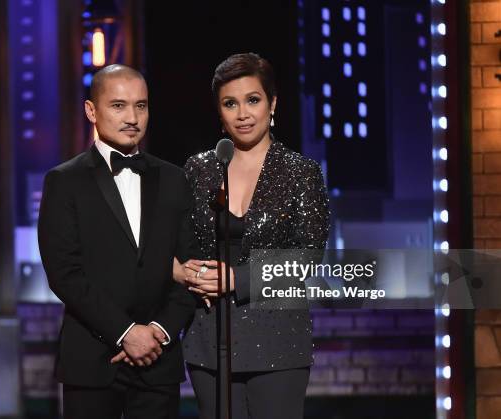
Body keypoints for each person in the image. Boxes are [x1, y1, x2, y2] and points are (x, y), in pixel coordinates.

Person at [174, 53, 330, 419]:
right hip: (208, 342)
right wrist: (182, 272)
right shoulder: (198, 169)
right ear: (219, 112)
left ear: (272, 104)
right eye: (230, 103)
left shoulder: (301, 172)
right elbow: (173, 244)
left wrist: (236, 280)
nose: (242, 113)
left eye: (253, 100)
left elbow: (307, 257)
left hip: (278, 344)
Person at [38, 64, 198, 419]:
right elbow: (64, 273)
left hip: (159, 361)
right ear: (91, 111)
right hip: (92, 362)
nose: (132, 117)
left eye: (141, 106)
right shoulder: (64, 181)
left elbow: (190, 269)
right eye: (119, 106)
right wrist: (125, 333)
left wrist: (158, 331)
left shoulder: (174, 179)